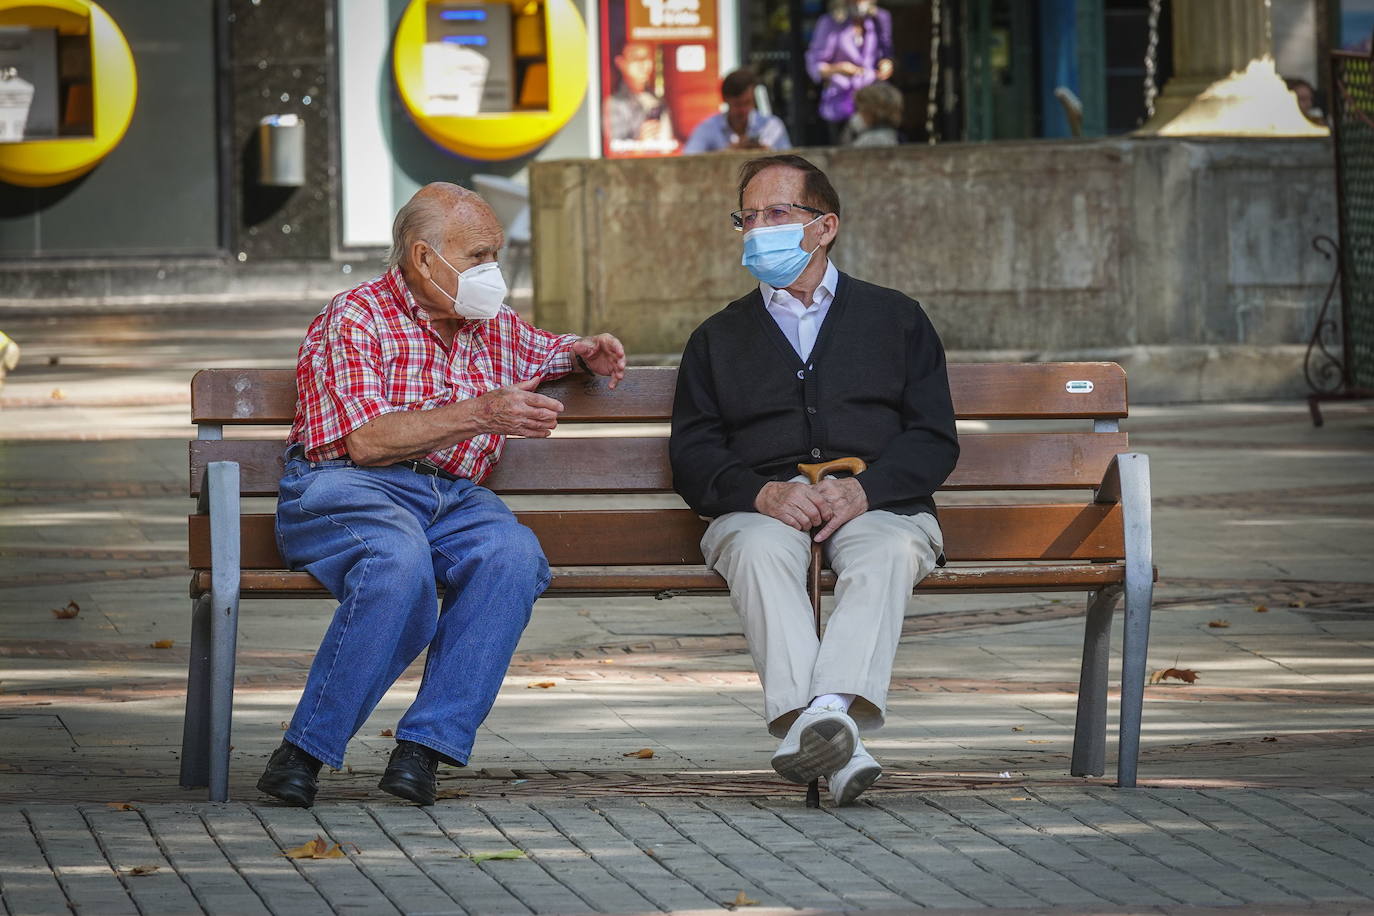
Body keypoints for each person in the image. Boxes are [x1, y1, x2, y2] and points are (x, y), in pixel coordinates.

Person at [257, 182, 627, 808]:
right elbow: (368, 443)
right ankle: (305, 750)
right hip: (349, 486)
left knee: (513, 556)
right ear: (425, 258)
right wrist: (482, 412)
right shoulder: (356, 316)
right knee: (398, 569)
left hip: (450, 498)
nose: (493, 272)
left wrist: (588, 353)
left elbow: (553, 350)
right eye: (479, 256)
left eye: (496, 256)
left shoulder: (492, 324)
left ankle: (425, 748)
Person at [670, 155, 958, 805]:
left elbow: (934, 436)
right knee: (755, 549)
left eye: (776, 214)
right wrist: (761, 493)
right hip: (760, 511)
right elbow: (692, 452)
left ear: (825, 226)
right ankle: (837, 735)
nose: (756, 229)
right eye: (747, 217)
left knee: (888, 548)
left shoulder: (897, 319)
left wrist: (866, 489)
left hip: (879, 503)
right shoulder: (716, 339)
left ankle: (819, 717)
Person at [805, 0, 894, 140]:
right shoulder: (829, 22)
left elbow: (886, 51)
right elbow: (814, 64)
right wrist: (838, 69)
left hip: (872, 102)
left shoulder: (878, 20)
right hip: (841, 102)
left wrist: (886, 63)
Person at [682, 66, 791, 154]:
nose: (743, 110)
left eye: (748, 103)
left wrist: (767, 154)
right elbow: (687, 160)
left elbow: (789, 164)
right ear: (725, 100)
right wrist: (728, 152)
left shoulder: (771, 126)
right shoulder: (708, 127)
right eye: (737, 105)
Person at [604, 41, 675, 152]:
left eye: (647, 58)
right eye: (636, 59)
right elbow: (613, 150)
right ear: (621, 63)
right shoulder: (614, 103)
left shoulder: (657, 100)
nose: (644, 64)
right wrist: (640, 143)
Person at [844, 81, 903, 147]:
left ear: (870, 111)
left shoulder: (871, 140)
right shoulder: (893, 134)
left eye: (859, 109)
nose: (858, 115)